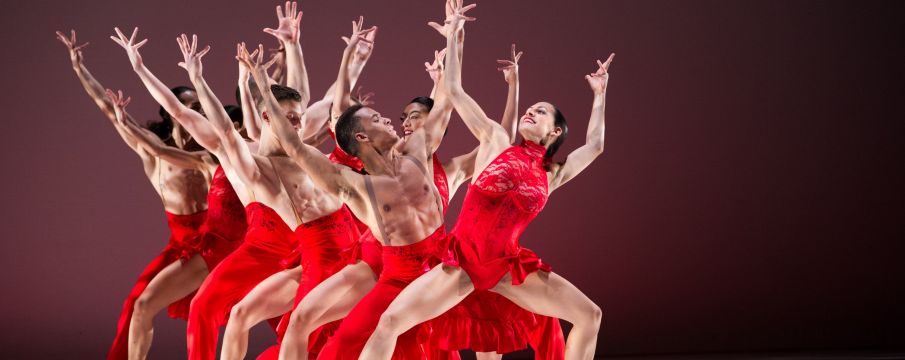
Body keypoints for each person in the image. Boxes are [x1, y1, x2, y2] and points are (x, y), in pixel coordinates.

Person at [358, 4, 612, 359]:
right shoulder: (494, 140)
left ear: (554, 132)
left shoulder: (551, 174)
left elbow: (596, 146)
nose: (530, 112)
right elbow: (456, 90)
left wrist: (599, 94)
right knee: (389, 323)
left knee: (590, 315)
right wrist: (456, 35)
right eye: (530, 107)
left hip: (506, 269)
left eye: (540, 112)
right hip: (460, 264)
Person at [239, 19, 448, 358]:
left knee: (470, 322)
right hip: (392, 265)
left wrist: (454, 41)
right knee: (312, 322)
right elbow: (294, 144)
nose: (389, 120)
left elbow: (444, 105)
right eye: (378, 119)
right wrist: (262, 83)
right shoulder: (354, 184)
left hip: (443, 260)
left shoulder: (416, 152)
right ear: (363, 138)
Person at [55, 30, 227, 360]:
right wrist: (79, 68)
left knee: (227, 308)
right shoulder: (153, 151)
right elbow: (108, 108)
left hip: (211, 239)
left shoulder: (211, 150)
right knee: (137, 303)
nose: (195, 112)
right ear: (170, 110)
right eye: (187, 106)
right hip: (179, 244)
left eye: (197, 108)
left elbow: (244, 122)